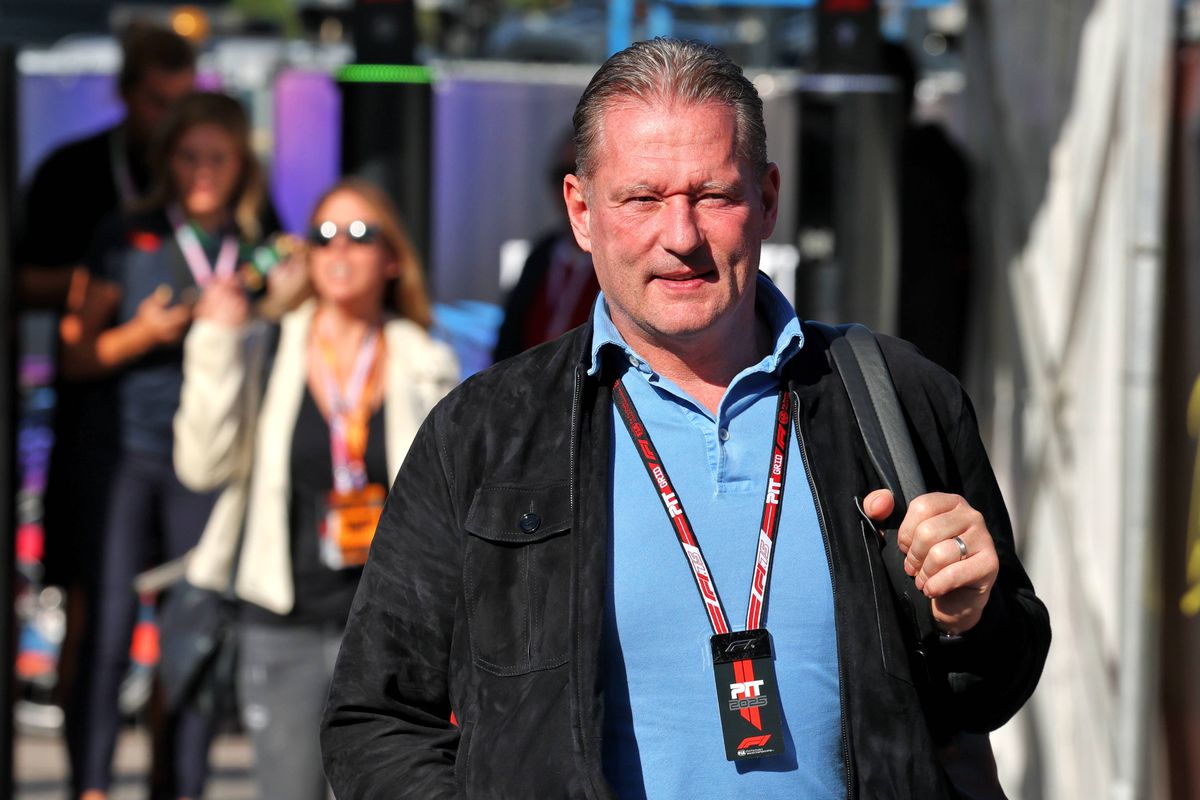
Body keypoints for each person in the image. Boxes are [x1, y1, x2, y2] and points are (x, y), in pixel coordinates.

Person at [320, 38, 1050, 799]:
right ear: (582, 211)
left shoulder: (900, 398)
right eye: (642, 198)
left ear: (767, 199)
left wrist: (972, 619)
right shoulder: (483, 433)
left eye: (713, 196)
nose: (681, 236)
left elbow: (995, 687)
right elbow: (375, 718)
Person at [174, 178, 459, 800]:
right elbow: (201, 467)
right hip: (284, 619)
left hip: (389, 630)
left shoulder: (427, 361)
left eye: (359, 233)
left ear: (392, 258)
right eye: (324, 235)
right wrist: (216, 341)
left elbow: (448, 505)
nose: (339, 248)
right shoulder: (267, 344)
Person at [65, 90, 270, 800]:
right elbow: (75, 352)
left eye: (218, 157)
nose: (203, 171)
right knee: (108, 629)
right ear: (166, 161)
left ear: (242, 164)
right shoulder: (127, 233)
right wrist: (142, 334)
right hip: (127, 450)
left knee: (194, 630)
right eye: (188, 156)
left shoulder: (259, 243)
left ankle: (181, 785)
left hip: (208, 461)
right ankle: (91, 785)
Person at [492, 129, 599, 362]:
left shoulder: (617, 259)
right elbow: (508, 343)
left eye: (582, 174)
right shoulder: (542, 255)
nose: (574, 191)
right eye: (562, 176)